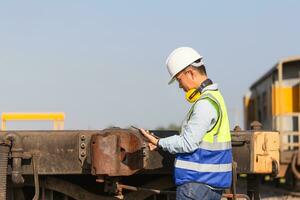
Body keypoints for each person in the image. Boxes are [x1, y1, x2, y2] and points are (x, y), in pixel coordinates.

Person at [140, 47, 232, 200]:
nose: (180, 85)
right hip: (209, 184)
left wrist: (159, 142)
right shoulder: (216, 98)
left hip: (195, 186)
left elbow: (188, 143)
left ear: (190, 72)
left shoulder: (205, 104)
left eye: (179, 79)